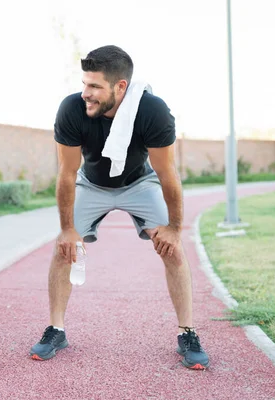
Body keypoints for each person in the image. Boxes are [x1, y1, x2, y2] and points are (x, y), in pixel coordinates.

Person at [29, 45, 210, 370]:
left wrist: (174, 228)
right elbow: (67, 173)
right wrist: (69, 229)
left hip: (140, 184)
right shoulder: (72, 109)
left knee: (173, 250)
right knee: (63, 249)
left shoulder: (153, 112)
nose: (86, 93)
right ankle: (56, 329)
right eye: (85, 84)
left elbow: (168, 174)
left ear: (121, 87)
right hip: (91, 184)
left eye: (95, 86)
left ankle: (188, 333)